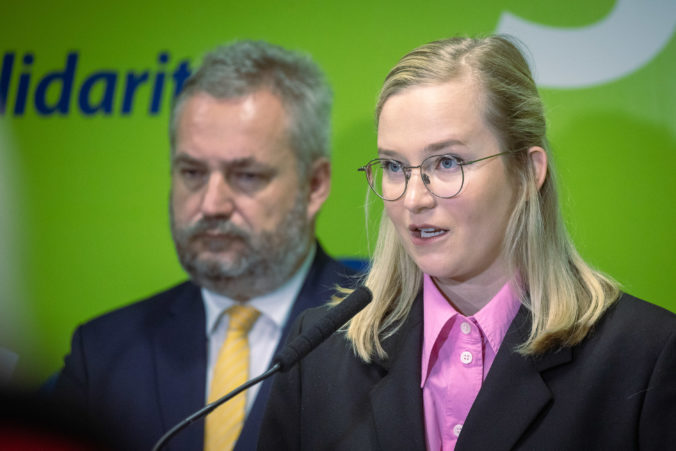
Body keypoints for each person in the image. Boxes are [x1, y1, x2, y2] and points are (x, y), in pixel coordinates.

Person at [259, 35, 676, 450]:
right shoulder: (317, 353)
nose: (414, 199)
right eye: (394, 166)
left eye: (447, 162)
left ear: (528, 172)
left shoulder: (647, 354)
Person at [52, 40, 356, 451]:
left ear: (314, 185)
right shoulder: (103, 352)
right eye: (192, 172)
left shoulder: (387, 332)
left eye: (246, 175)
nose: (211, 204)